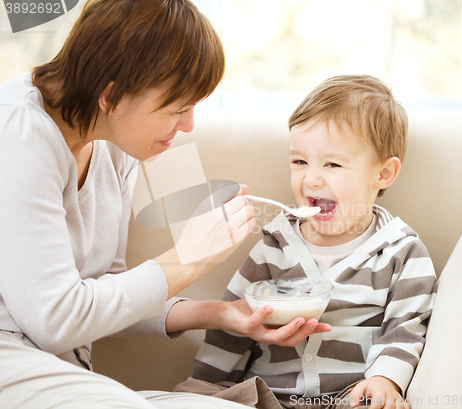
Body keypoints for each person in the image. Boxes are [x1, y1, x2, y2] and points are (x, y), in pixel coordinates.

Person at [0, 1, 329, 408]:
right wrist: (188, 259)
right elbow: (58, 319)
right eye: (178, 108)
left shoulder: (113, 143)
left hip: (63, 372)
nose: (189, 124)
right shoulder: (18, 135)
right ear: (112, 95)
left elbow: (107, 296)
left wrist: (222, 314)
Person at [175, 75, 437, 409]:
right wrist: (203, 386)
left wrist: (384, 381)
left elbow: (406, 331)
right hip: (265, 398)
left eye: (332, 164)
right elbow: (232, 328)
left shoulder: (402, 253)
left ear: (383, 174)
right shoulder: (274, 247)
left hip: (349, 398)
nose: (310, 178)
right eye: (300, 162)